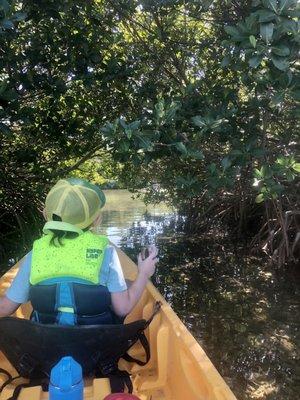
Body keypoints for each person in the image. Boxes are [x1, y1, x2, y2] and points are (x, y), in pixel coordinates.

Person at [0, 178, 158, 324]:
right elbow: (123, 308)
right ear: (97, 220)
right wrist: (143, 274)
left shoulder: (36, 254)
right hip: (96, 348)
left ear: (45, 214)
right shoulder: (106, 252)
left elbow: (6, 308)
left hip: (45, 348)